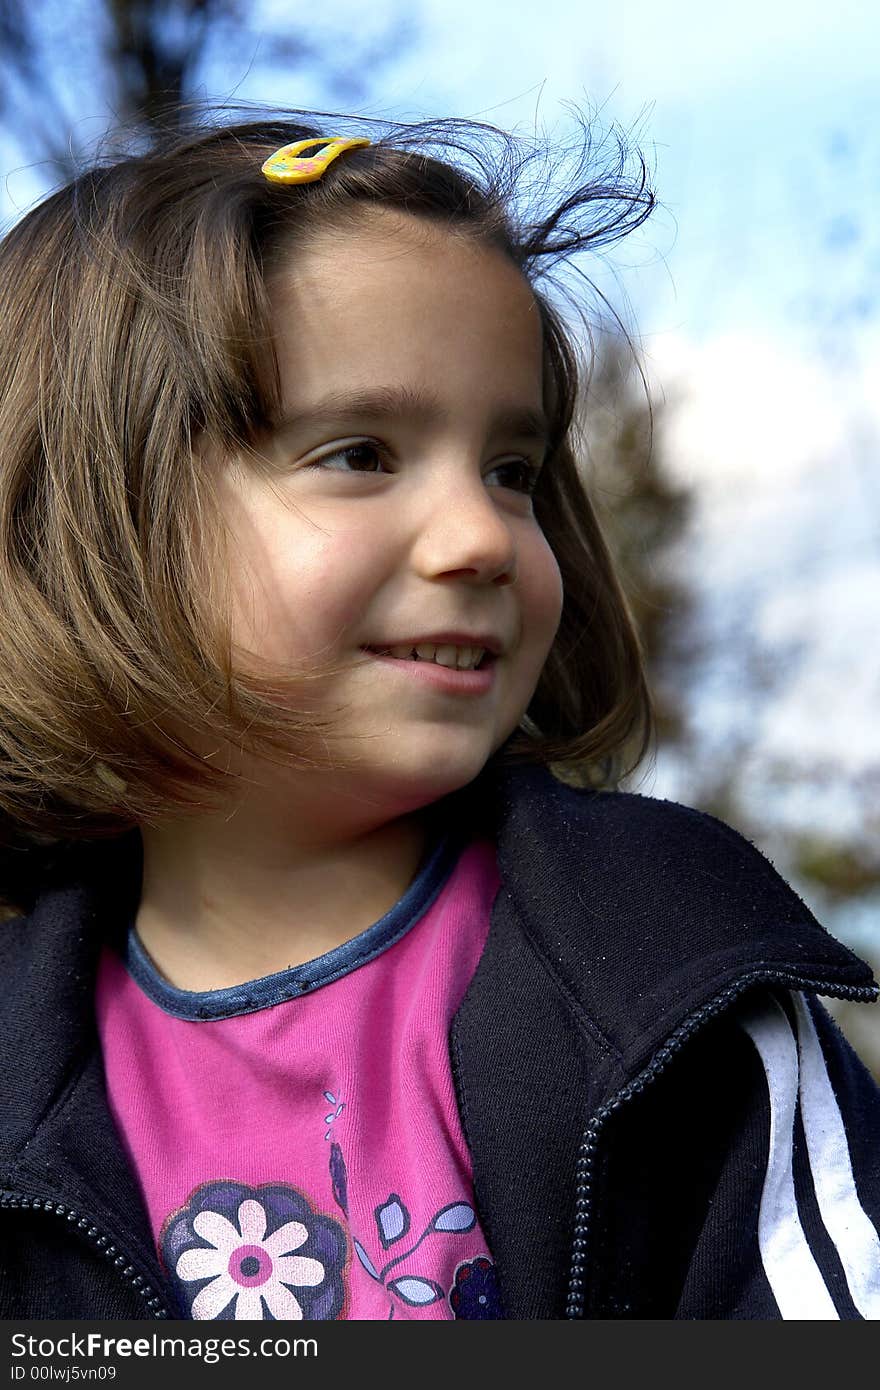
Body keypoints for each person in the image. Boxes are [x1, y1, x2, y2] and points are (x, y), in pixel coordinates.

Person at [0, 110, 878, 1324]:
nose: (480, 537)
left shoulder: (657, 970)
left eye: (512, 471)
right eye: (360, 452)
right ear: (93, 528)